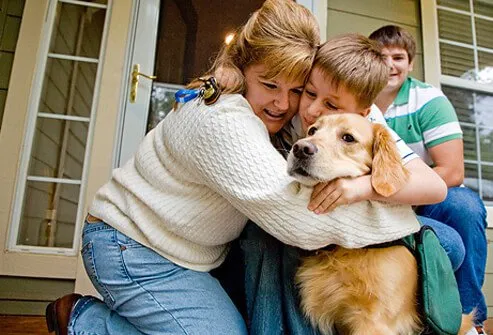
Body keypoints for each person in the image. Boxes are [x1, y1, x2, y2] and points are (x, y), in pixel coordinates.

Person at [44, 2, 435, 334]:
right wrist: (408, 227)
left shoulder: (310, 116)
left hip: (196, 257)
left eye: (297, 90)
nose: (286, 105)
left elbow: (425, 180)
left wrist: (367, 188)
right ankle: (85, 320)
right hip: (132, 249)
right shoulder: (221, 119)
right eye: (269, 85)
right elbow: (301, 222)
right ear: (243, 69)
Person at [228, 33, 466, 334]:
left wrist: (362, 188)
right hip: (288, 226)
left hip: (362, 229)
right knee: (270, 238)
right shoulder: (288, 108)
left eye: (332, 105)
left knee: (448, 243)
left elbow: (434, 186)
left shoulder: (369, 124)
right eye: (310, 93)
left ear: (361, 112)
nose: (313, 111)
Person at [369, 25, 488, 335]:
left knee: (465, 205)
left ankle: (469, 320)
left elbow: (452, 171)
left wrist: (400, 193)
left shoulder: (428, 100)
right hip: (372, 198)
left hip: (425, 200)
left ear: (410, 64)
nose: (390, 64)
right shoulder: (357, 97)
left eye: (399, 57)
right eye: (381, 57)